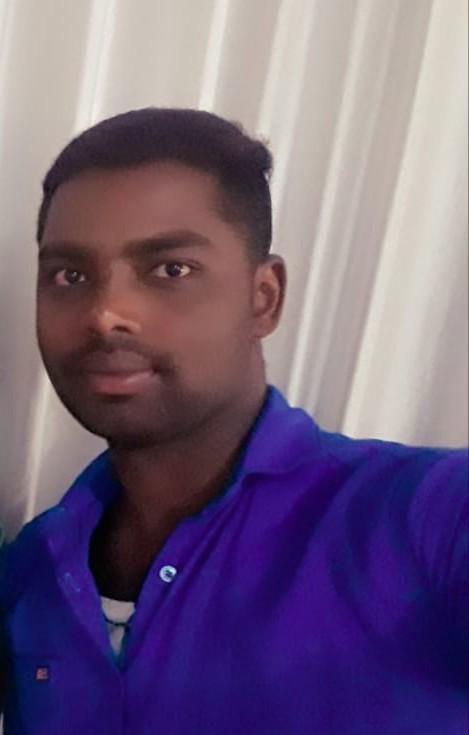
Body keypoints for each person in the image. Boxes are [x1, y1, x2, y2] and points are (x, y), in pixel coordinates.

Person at [0, 108, 467, 735]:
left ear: (264, 297)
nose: (106, 313)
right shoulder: (35, 566)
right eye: (70, 275)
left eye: (170, 269)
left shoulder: (420, 518)